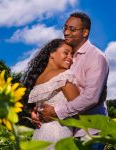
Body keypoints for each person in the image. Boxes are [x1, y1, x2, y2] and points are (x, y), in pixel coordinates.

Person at [31, 12, 109, 150]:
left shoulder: (96, 57)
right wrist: (38, 112)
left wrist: (55, 112)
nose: (66, 32)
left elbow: (91, 97)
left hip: (90, 132)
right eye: (65, 28)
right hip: (67, 131)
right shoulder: (66, 59)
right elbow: (53, 92)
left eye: (72, 29)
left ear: (85, 32)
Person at [22, 39, 80, 147]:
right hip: (59, 135)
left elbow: (38, 109)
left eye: (72, 55)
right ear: (52, 53)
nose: (70, 58)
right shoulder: (64, 75)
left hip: (39, 135)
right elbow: (80, 110)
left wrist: (34, 112)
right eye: (66, 53)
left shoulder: (38, 79)